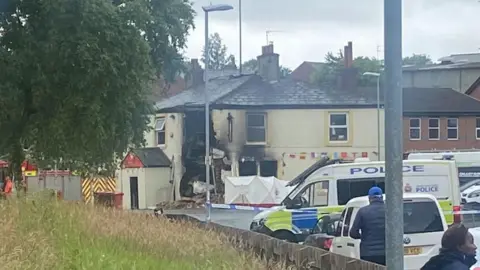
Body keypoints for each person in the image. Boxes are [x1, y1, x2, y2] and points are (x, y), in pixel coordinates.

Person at [350, 186, 386, 266]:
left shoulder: (362, 211)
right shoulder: (389, 210)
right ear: (382, 197)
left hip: (367, 253)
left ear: (369, 198)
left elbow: (353, 233)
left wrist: (363, 237)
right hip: (386, 253)